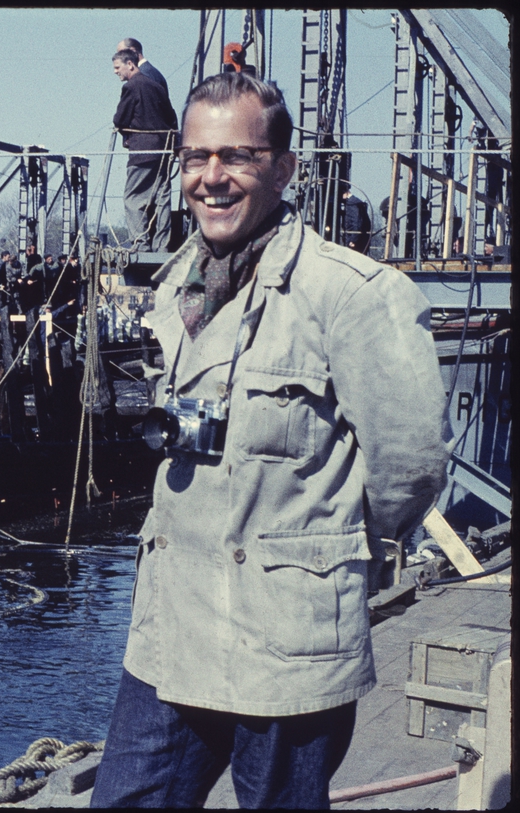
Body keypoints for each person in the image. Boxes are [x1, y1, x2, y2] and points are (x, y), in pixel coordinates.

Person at [90, 71, 450, 809]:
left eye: (237, 156)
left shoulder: (350, 294)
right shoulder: (179, 287)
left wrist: (325, 555)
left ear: (283, 169)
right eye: (195, 157)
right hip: (173, 631)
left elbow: (410, 466)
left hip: (287, 637)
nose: (211, 177)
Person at [113, 48, 178, 252]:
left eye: (117, 67)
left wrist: (126, 131)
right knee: (162, 198)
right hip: (164, 150)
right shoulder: (156, 86)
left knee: (133, 198)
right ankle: (162, 246)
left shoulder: (131, 86)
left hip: (142, 151)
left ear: (130, 64)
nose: (115, 72)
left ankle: (140, 244)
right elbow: (172, 117)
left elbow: (120, 119)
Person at [342, 189, 371, 254]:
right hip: (359, 237)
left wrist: (353, 239)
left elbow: (356, 222)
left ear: (346, 193)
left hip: (354, 238)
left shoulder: (352, 204)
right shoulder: (357, 203)